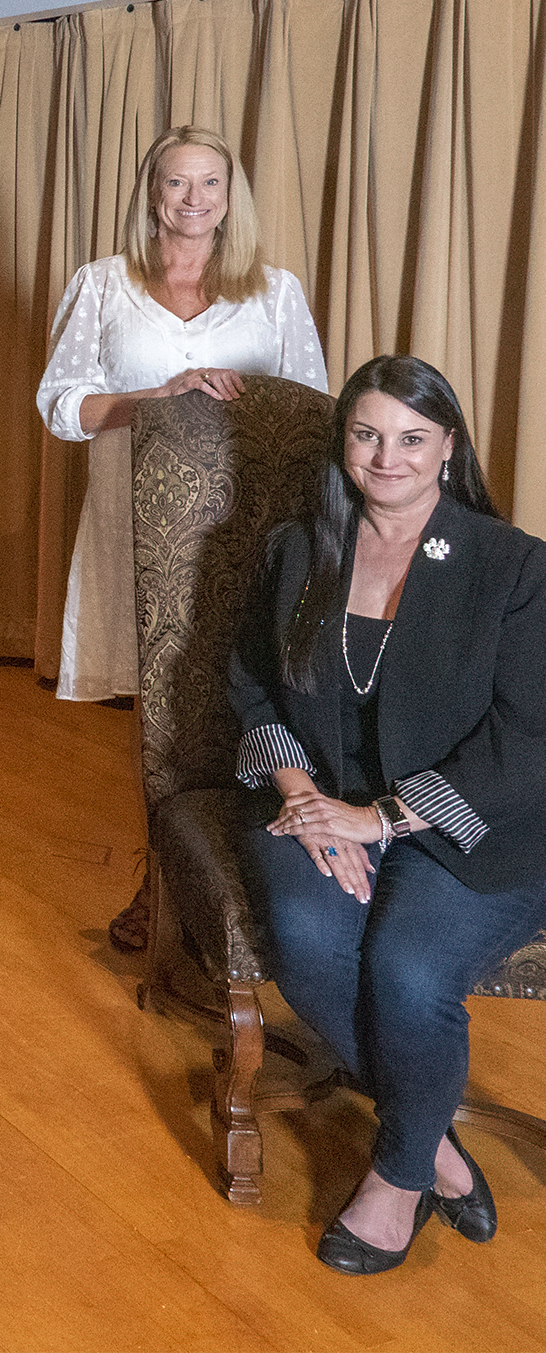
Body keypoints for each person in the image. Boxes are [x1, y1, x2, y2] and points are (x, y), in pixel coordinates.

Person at [229, 355, 546, 1276]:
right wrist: (299, 793)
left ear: (448, 448)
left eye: (412, 438)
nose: (388, 457)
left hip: (476, 821)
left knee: (409, 970)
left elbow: (529, 738)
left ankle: (398, 1179)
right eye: (368, 434)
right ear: (344, 442)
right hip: (320, 798)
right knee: (307, 934)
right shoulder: (300, 548)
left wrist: (386, 819)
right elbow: (249, 686)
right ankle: (438, 1146)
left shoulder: (511, 566)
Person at [36, 124, 328, 951]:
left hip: (249, 529)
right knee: (159, 707)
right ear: (151, 195)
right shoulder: (100, 285)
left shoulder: (274, 291)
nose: (193, 200)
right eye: (176, 184)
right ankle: (161, 880)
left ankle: (230, 879)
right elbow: (62, 407)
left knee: (244, 696)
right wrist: (158, 397)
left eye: (209, 184)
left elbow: (311, 414)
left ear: (230, 198)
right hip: (134, 525)